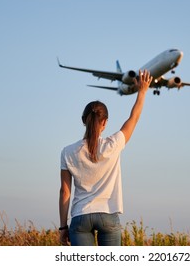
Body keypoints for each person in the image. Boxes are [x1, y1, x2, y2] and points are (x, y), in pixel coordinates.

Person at [59, 70, 153, 246]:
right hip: (108, 214)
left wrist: (63, 228)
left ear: (83, 121)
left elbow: (65, 192)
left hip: (80, 216)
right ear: (105, 122)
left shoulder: (67, 151)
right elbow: (134, 117)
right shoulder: (114, 144)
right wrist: (142, 91)